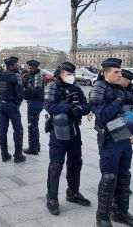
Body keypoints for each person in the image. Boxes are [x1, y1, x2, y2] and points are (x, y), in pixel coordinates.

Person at [90, 58, 133, 227]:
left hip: (124, 136)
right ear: (105, 73)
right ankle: (103, 217)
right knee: (109, 177)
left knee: (124, 175)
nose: (120, 74)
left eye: (120, 71)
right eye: (116, 72)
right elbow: (102, 116)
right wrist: (118, 101)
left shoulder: (120, 87)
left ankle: (121, 212)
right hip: (109, 138)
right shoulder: (99, 88)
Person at [45, 61, 90, 216]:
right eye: (67, 73)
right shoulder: (53, 87)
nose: (70, 76)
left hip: (74, 130)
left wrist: (80, 109)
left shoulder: (77, 88)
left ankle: (73, 192)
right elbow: (50, 106)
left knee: (76, 162)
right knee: (56, 165)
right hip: (58, 131)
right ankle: (51, 198)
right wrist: (69, 106)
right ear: (60, 73)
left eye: (71, 73)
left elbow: (86, 106)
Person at [0, 56, 26, 163]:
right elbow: (20, 94)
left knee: (2, 130)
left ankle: (4, 154)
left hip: (1, 105)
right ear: (12, 65)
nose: (17, 65)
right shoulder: (15, 76)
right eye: (16, 64)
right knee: (18, 130)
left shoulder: (0, 75)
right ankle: (18, 155)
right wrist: (17, 104)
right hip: (12, 106)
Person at [22, 60, 44, 155]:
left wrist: (25, 89)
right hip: (34, 102)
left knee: (32, 125)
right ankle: (36, 145)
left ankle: (33, 148)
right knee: (34, 125)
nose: (29, 69)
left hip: (35, 102)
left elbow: (36, 91)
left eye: (31, 68)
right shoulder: (33, 75)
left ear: (35, 67)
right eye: (29, 67)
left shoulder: (37, 76)